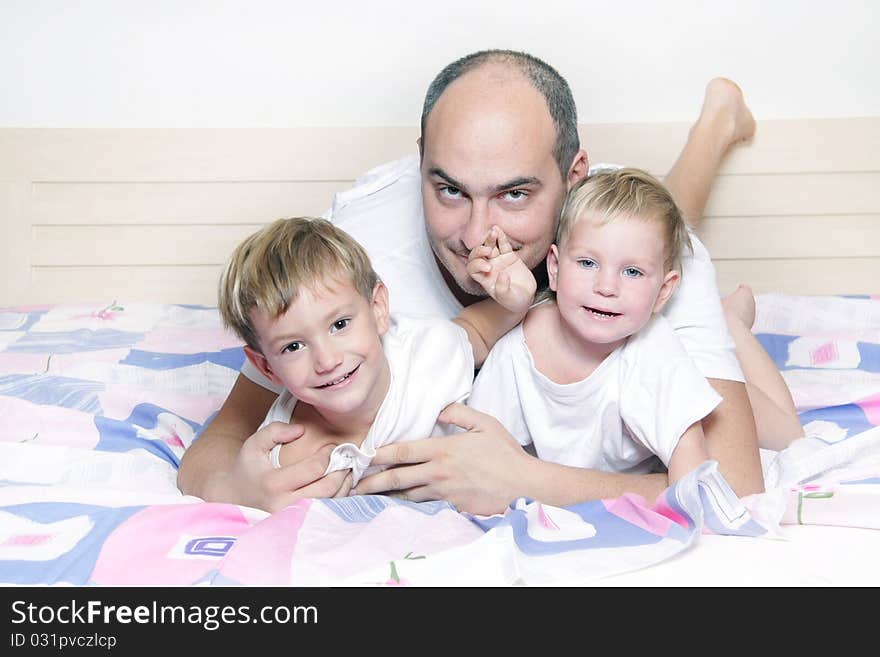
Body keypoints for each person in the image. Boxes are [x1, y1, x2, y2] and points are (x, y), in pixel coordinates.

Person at [178, 49, 764, 515]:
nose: (477, 236)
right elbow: (218, 442)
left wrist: (530, 481)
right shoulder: (353, 258)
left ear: (572, 176)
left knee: (672, 225)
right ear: (421, 161)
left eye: (514, 194)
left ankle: (713, 127)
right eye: (450, 189)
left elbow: (736, 485)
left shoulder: (637, 256)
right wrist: (241, 488)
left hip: (625, 234)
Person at [466, 168, 801, 490]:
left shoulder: (656, 352)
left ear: (664, 292)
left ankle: (732, 325)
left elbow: (694, 473)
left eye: (632, 272)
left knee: (789, 437)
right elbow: (475, 445)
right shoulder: (517, 350)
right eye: (587, 263)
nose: (606, 287)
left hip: (687, 366)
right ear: (553, 268)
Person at [216, 216, 535, 491]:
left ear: (378, 308)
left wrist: (518, 298)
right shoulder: (285, 453)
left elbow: (476, 331)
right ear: (265, 366)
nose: (328, 361)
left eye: (339, 324)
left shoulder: (425, 352)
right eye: (293, 346)